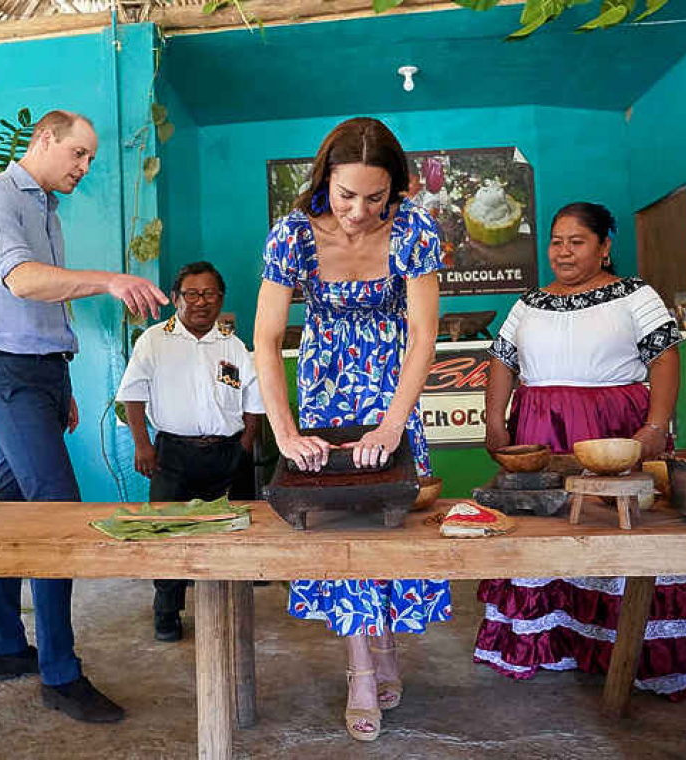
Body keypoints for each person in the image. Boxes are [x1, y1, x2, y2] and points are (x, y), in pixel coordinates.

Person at [0, 109, 168, 723]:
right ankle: (59, 673)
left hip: (41, 375)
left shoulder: (45, 206)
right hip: (8, 375)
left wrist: (63, 382)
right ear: (44, 139)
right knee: (57, 513)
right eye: (78, 154)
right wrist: (107, 280)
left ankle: (2, 647)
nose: (84, 167)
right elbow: (22, 281)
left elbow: (42, 309)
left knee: (13, 508)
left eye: (91, 159)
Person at [253, 117, 451, 742]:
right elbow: (264, 337)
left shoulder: (415, 228)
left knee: (388, 523)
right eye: (345, 196)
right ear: (324, 183)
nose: (359, 212)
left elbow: (423, 335)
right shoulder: (292, 236)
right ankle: (361, 668)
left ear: (395, 190)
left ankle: (385, 642)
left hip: (393, 386)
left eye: (375, 197)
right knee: (343, 524)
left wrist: (394, 424)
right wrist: (284, 434)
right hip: (326, 389)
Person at [476, 201, 686, 700]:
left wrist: (655, 426)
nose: (563, 252)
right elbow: (502, 364)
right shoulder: (528, 303)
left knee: (613, 531)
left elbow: (664, 358)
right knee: (544, 533)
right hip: (540, 432)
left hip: (613, 432)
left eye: (577, 242)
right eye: (556, 242)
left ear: (604, 248)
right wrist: (494, 420)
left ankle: (629, 650)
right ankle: (546, 644)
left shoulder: (635, 295)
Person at [116, 260, 265, 642]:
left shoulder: (232, 345)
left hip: (227, 455)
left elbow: (252, 400)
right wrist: (143, 445)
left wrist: (244, 446)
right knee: (167, 535)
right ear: (177, 298)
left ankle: (230, 610)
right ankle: (167, 611)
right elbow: (133, 394)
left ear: (220, 299)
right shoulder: (154, 339)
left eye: (210, 294)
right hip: (172, 456)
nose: (201, 302)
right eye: (192, 294)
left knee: (232, 535)